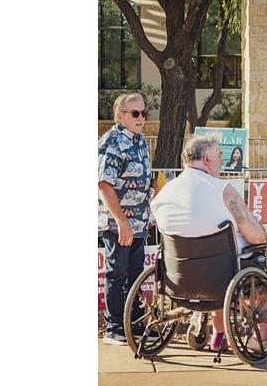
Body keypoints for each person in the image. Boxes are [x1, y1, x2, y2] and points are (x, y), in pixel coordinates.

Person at [151, 134, 267, 351]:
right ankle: (259, 338)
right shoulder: (222, 189)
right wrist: (265, 245)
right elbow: (256, 235)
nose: (222, 161)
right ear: (207, 159)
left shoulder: (165, 193)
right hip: (222, 276)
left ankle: (218, 334)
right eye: (219, 155)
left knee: (220, 264)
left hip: (178, 278)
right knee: (266, 267)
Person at [98, 93, 156, 345]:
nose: (141, 118)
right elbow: (104, 184)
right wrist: (121, 221)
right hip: (117, 224)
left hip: (140, 222)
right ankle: (114, 328)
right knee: (117, 274)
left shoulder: (140, 141)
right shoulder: (111, 141)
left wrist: (153, 186)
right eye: (135, 113)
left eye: (144, 113)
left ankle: (134, 322)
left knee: (135, 274)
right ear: (120, 116)